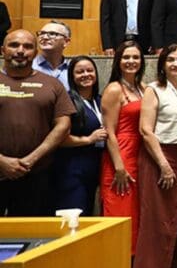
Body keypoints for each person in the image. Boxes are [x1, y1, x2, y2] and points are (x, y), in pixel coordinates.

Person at [134, 44, 177, 268]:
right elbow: (145, 130)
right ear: (162, 64)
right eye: (171, 59)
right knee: (160, 217)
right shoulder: (153, 90)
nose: (176, 64)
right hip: (160, 156)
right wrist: (163, 164)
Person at [0, 30, 74, 216]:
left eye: (27, 46)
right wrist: (2, 161)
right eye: (14, 45)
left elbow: (63, 125)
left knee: (30, 231)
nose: (20, 50)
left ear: (35, 52)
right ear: (2, 50)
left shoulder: (52, 84)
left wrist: (30, 160)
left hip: (36, 174)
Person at [99, 41, 145, 253]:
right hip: (121, 155)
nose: (131, 61)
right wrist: (119, 166)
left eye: (135, 57)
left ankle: (134, 264)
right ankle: (117, 262)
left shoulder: (142, 87)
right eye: (126, 57)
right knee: (120, 210)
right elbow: (109, 131)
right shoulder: (114, 89)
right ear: (118, 61)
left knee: (136, 213)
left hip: (140, 155)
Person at [52, 56, 106, 215]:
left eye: (89, 70)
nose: (86, 74)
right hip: (72, 168)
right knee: (73, 215)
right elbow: (59, 138)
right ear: (72, 76)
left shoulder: (99, 100)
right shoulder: (66, 101)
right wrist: (89, 139)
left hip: (94, 166)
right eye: (80, 72)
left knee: (88, 214)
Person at [33, 20, 71, 89]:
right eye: (42, 33)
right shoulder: (29, 67)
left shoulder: (73, 69)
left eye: (52, 34)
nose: (45, 37)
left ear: (66, 42)